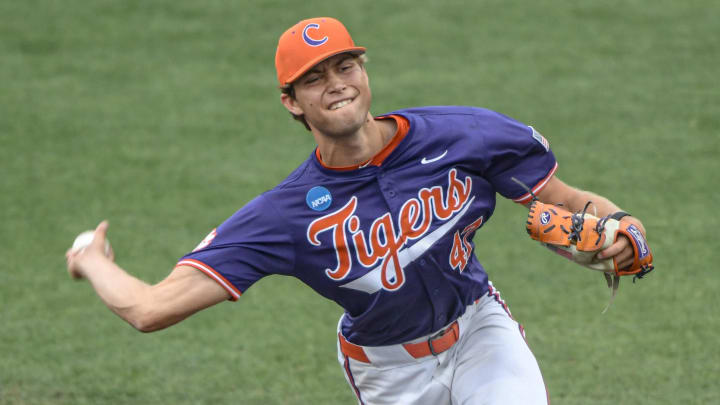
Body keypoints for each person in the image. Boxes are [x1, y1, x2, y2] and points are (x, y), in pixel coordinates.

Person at [66, 17, 648, 405]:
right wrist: (91, 258)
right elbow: (149, 309)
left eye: (345, 66)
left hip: (480, 332)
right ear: (292, 102)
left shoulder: (463, 134)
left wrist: (622, 228)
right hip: (389, 371)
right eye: (313, 79)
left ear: (364, 72)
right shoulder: (284, 215)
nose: (336, 84)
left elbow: (574, 206)